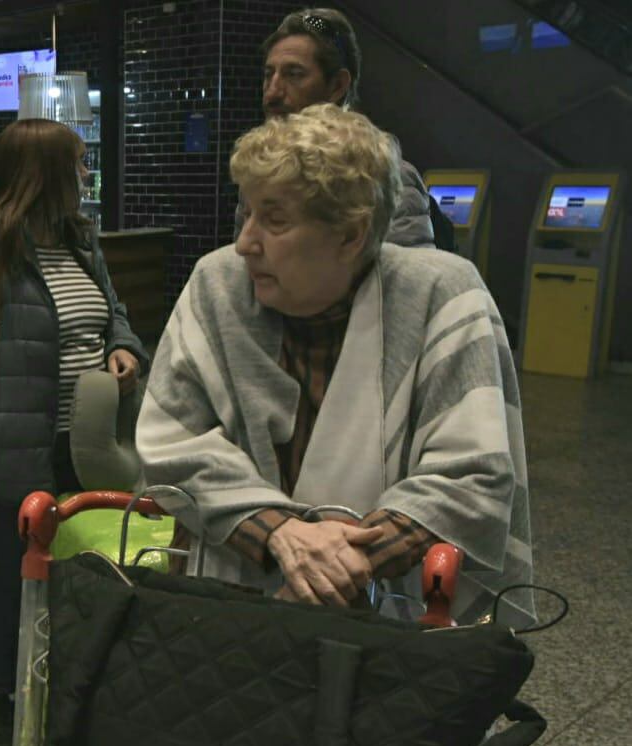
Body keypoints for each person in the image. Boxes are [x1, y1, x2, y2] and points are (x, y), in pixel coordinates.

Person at [138, 105, 532, 628]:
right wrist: (281, 533)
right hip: (228, 607)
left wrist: (344, 563)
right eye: (248, 212)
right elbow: (172, 441)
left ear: (351, 234)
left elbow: (472, 474)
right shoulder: (217, 285)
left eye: (275, 220)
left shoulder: (441, 294)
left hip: (391, 617)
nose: (245, 242)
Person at [0, 118, 149, 746]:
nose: (85, 175)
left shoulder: (79, 240)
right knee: (9, 583)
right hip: (18, 453)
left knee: (83, 573)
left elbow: (113, 312)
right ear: (44, 172)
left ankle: (72, 687)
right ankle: (5, 697)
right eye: (76, 164)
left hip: (91, 446)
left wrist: (124, 347)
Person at [237, 8, 436, 248]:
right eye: (269, 75)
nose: (272, 93)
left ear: (337, 86)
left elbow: (407, 281)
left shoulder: (381, 177)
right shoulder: (261, 174)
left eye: (294, 74)